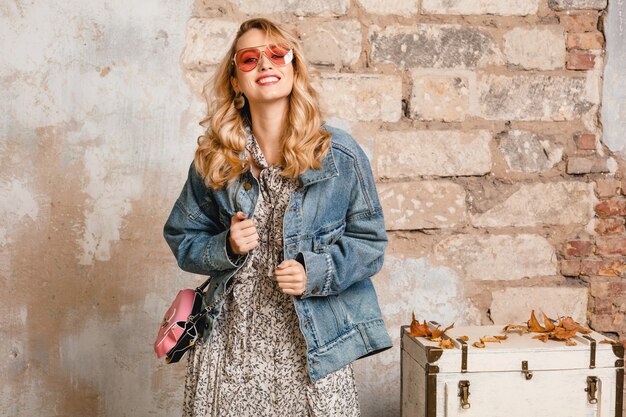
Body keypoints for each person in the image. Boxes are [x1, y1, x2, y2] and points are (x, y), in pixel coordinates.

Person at [163, 17, 392, 417]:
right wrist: (226, 246)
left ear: (293, 67)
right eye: (249, 59)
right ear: (236, 80)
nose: (265, 65)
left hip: (312, 345)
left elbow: (370, 244)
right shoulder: (217, 159)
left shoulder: (339, 154)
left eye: (276, 54)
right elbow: (182, 237)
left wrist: (316, 271)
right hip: (233, 345)